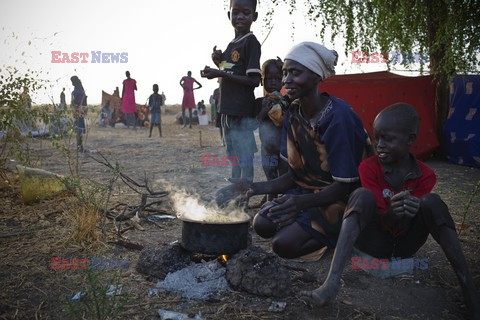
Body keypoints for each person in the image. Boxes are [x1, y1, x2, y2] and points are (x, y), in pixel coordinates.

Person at [300, 103, 480, 319]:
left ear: (410, 139)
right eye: (376, 138)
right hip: (373, 243)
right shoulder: (368, 167)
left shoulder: (426, 175)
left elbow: (408, 221)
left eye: (388, 139)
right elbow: (384, 219)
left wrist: (414, 209)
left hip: (405, 245)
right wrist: (394, 211)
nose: (379, 145)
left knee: (433, 202)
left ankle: (468, 288)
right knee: (361, 195)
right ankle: (331, 283)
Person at [217, 41, 370, 259]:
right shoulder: (294, 112)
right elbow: (294, 175)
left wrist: (298, 203)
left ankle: (341, 236)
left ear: (316, 77)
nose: (286, 80)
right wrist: (252, 187)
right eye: (285, 73)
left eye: (295, 73)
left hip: (339, 199)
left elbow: (344, 186)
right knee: (261, 224)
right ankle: (306, 226)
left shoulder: (338, 118)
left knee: (282, 246)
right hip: (307, 193)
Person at [201, 0, 261, 182]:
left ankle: (245, 192)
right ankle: (235, 192)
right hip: (226, 109)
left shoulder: (251, 43)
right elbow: (230, 71)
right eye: (235, 13)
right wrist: (218, 62)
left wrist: (219, 72)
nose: (240, 16)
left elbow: (254, 80)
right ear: (229, 16)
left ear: (254, 17)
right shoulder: (231, 45)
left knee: (245, 155)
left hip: (241, 110)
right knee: (233, 153)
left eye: (246, 13)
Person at [256, 57, 289, 201]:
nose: (273, 81)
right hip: (267, 148)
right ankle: (270, 205)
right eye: (269, 78)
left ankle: (282, 205)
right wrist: (263, 112)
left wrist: (282, 105)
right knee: (270, 179)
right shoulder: (259, 103)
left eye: (277, 78)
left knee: (284, 180)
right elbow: (252, 125)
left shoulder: (287, 100)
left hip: (284, 148)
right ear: (262, 80)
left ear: (283, 79)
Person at [70, 76, 87, 152]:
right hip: (79, 110)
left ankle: (80, 147)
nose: (71, 83)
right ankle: (80, 146)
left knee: (78, 129)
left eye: (72, 81)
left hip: (78, 110)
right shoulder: (79, 88)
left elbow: (78, 100)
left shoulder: (78, 89)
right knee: (78, 129)